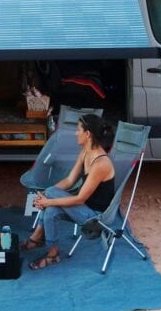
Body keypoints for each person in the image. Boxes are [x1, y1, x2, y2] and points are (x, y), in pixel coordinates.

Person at [21, 113, 115, 270]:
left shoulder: (101, 163)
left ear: (88, 134)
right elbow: (70, 180)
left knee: (50, 197)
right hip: (82, 208)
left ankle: (36, 238)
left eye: (78, 130)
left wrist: (48, 200)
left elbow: (79, 199)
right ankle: (53, 254)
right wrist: (46, 197)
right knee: (51, 209)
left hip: (95, 216)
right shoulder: (85, 152)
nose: (76, 133)